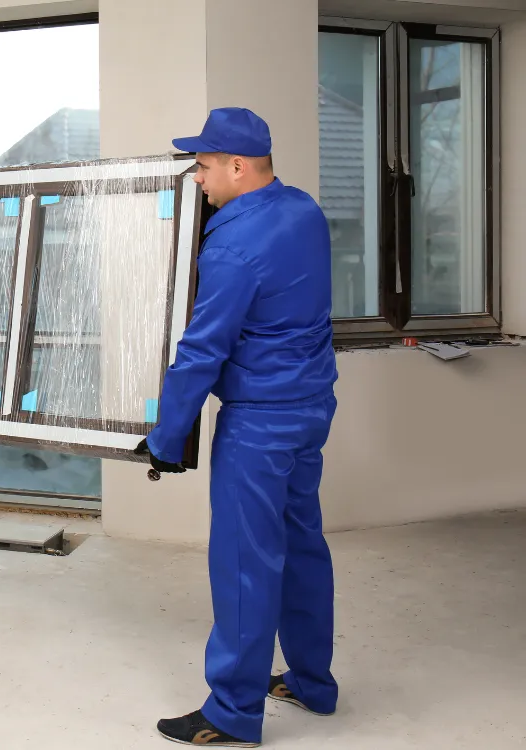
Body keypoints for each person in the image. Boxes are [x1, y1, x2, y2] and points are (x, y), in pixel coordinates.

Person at [134, 108, 338, 747]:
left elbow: (202, 351)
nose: (196, 177)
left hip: (260, 424)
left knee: (247, 562)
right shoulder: (304, 210)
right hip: (310, 408)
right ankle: (312, 681)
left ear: (237, 166)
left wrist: (167, 438)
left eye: (202, 165)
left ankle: (232, 711)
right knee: (302, 543)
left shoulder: (234, 246)